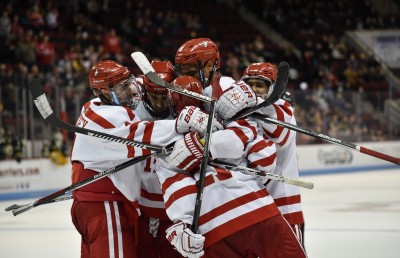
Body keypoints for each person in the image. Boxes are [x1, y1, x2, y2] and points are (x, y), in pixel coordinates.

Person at [156, 38, 307, 257]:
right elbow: (171, 167)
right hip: (232, 212)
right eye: (181, 69)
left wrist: (253, 100)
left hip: (272, 204)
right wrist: (181, 220)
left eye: (191, 68)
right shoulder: (181, 94)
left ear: (210, 66)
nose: (185, 74)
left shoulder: (227, 87)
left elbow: (278, 135)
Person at [70, 60, 186, 258]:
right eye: (124, 87)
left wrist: (156, 79)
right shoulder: (110, 117)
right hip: (105, 203)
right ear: (105, 92)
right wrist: (182, 124)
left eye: (130, 84)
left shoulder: (93, 106)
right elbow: (146, 135)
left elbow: (139, 86)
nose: (131, 92)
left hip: (91, 203)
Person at [241, 62, 305, 246]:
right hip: (251, 205)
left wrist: (252, 102)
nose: (253, 90)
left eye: (259, 85)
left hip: (283, 205)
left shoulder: (283, 109)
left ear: (273, 89)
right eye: (249, 84)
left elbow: (281, 136)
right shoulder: (242, 113)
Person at [134, 60, 183, 258]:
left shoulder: (182, 107)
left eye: (165, 98)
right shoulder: (134, 114)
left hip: (175, 207)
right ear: (145, 92)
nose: (160, 104)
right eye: (154, 97)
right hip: (143, 207)